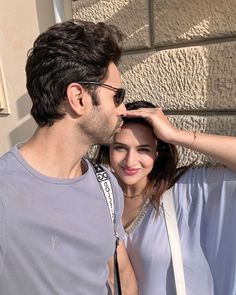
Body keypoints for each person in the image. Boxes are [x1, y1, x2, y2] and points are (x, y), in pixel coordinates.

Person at [0, 20, 138, 295]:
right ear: (78, 98)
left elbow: (115, 271)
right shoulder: (4, 192)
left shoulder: (106, 185)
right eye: (117, 96)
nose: (123, 109)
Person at [94, 100, 236, 295]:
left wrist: (174, 135)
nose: (130, 160)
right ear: (107, 149)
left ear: (158, 152)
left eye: (143, 149)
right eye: (120, 147)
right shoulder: (97, 196)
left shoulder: (185, 191)